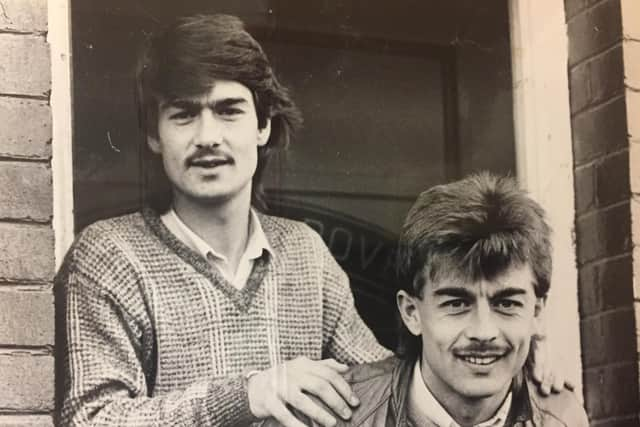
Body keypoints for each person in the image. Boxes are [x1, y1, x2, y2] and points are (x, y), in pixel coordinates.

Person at [55, 13, 568, 427]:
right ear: (153, 135)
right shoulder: (108, 255)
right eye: (183, 114)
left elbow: (382, 381)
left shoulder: (303, 251)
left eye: (229, 110)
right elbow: (91, 417)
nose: (207, 135)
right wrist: (247, 394)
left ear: (262, 127)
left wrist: (516, 362)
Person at [266, 173, 588, 426]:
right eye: (456, 303)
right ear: (411, 312)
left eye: (506, 303)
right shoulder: (333, 415)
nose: (483, 331)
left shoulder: (562, 417)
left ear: (537, 313)